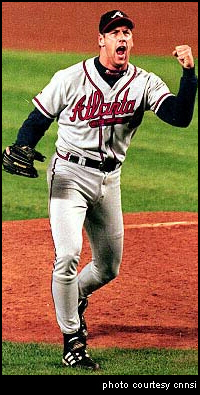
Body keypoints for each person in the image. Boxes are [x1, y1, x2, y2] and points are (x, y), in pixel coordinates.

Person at [2, 10, 198, 370]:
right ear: (101, 40)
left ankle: (73, 297)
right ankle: (73, 341)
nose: (122, 38)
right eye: (114, 33)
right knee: (68, 255)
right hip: (69, 176)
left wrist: (188, 74)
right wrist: (22, 143)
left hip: (110, 181)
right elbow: (39, 118)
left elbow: (179, 116)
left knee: (108, 267)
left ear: (131, 41)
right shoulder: (72, 77)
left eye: (126, 32)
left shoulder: (145, 83)